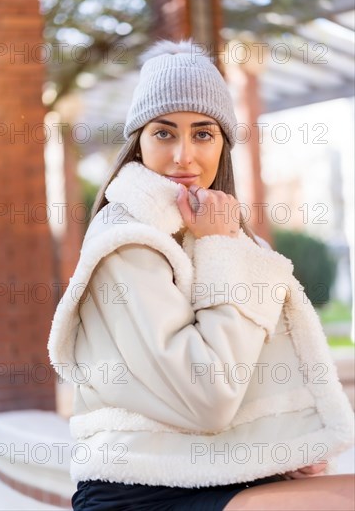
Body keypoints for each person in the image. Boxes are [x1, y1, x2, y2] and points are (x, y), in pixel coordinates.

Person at [47, 39, 354, 511]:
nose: (184, 156)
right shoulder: (127, 241)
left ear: (223, 143)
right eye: (164, 133)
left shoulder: (221, 235)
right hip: (140, 486)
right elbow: (207, 395)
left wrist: (282, 442)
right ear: (138, 141)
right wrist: (218, 248)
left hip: (215, 471)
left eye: (203, 134)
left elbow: (246, 371)